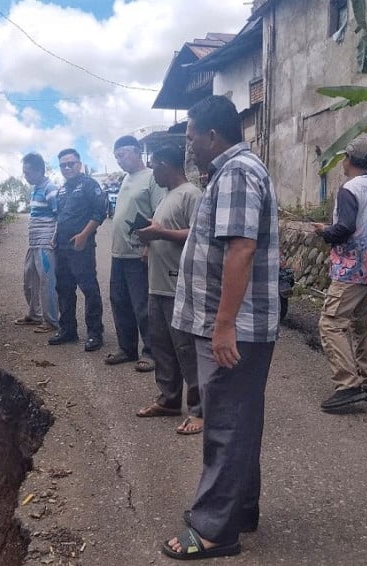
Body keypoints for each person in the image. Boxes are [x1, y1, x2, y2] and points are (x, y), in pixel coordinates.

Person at [162, 95, 280, 561]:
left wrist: (224, 326)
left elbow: (241, 250)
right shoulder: (234, 171)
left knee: (226, 425)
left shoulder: (236, 173)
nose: (188, 145)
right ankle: (239, 509)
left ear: (213, 135)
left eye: (191, 136)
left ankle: (215, 530)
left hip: (235, 327)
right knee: (240, 420)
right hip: (237, 324)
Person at [312, 134, 367, 411]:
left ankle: (347, 384)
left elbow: (344, 228)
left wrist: (326, 232)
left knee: (330, 323)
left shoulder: (349, 189)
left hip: (350, 271)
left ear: (349, 159)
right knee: (363, 327)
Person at [134, 143, 203, 435]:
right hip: (158, 285)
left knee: (187, 349)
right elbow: (166, 229)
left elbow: (199, 235)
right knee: (162, 347)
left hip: (180, 287)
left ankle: (200, 409)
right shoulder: (166, 196)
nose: (152, 171)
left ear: (166, 164)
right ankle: (169, 399)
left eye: (154, 165)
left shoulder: (192, 194)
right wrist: (151, 238)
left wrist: (160, 232)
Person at [104, 135, 166, 371]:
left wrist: (149, 246)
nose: (119, 160)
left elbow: (159, 215)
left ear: (137, 151)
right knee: (119, 301)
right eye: (116, 156)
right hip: (119, 253)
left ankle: (150, 352)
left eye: (122, 154)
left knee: (143, 306)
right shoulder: (126, 179)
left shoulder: (151, 178)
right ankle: (126, 348)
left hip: (139, 253)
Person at [48, 148, 107, 352]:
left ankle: (94, 333)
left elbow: (100, 213)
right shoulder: (62, 189)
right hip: (62, 248)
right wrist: (55, 237)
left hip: (81, 247)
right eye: (63, 164)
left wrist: (84, 235)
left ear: (79, 164)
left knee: (89, 289)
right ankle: (68, 330)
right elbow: (62, 217)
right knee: (64, 289)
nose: (67, 167)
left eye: (70, 163)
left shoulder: (90, 185)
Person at [14, 152, 60, 334]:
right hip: (33, 243)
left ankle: (51, 321)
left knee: (46, 282)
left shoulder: (51, 189)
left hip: (45, 244)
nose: (25, 176)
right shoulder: (36, 188)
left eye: (28, 173)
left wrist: (54, 238)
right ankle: (35, 315)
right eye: (24, 173)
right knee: (30, 280)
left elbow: (59, 216)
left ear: (40, 170)